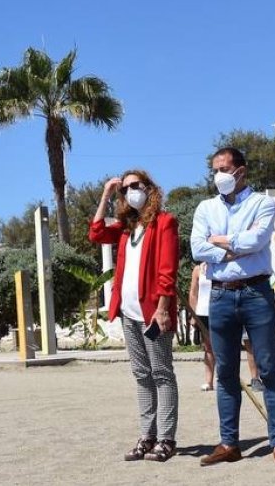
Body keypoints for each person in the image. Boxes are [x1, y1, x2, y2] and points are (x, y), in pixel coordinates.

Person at [190, 146, 275, 466]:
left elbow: (258, 241)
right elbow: (196, 247)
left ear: (241, 170)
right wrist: (232, 247)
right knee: (226, 374)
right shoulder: (205, 208)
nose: (219, 175)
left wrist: (219, 241)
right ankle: (228, 443)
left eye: (224, 168)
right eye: (215, 170)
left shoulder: (263, 203)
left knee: (268, 369)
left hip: (256, 293)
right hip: (219, 296)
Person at [89, 168, 180, 463]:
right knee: (142, 375)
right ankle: (146, 436)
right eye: (125, 189)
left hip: (153, 312)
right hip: (128, 312)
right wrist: (105, 194)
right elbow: (96, 233)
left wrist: (163, 308)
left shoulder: (165, 222)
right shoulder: (127, 227)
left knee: (162, 373)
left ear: (149, 187)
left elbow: (167, 271)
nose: (130, 192)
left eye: (135, 186)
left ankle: (166, 438)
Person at [187, 265, 215, 391]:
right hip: (203, 312)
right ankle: (209, 382)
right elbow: (193, 293)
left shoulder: (221, 266)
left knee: (224, 347)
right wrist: (193, 315)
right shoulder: (198, 269)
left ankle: (228, 379)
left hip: (220, 311)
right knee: (208, 347)